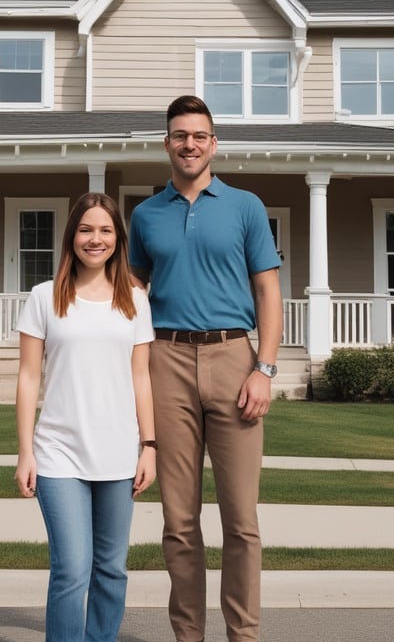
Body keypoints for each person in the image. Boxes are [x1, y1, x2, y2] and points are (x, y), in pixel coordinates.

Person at [129, 95, 283, 642]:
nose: (188, 144)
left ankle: (244, 636)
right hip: (165, 362)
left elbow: (268, 290)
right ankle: (187, 636)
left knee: (241, 522)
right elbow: (133, 293)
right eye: (178, 135)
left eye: (198, 135)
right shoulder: (145, 215)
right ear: (166, 143)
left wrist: (264, 367)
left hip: (234, 360)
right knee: (179, 522)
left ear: (213, 143)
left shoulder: (244, 206)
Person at [14, 192, 156, 642]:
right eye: (86, 229)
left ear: (118, 238)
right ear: (71, 235)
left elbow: (141, 377)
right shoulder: (42, 297)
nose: (95, 239)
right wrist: (24, 452)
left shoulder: (135, 300)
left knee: (111, 569)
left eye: (106, 230)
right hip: (58, 454)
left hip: (118, 453)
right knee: (72, 569)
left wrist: (148, 446)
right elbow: (27, 377)